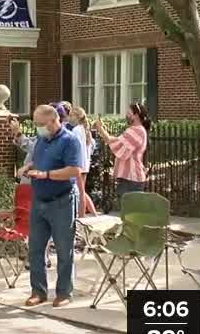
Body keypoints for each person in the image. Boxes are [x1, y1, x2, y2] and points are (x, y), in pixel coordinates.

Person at [19, 105, 81, 308]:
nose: (37, 128)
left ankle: (64, 292)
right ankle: (38, 291)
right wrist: (28, 168)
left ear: (53, 121)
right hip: (39, 201)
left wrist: (46, 175)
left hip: (62, 201)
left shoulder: (70, 140)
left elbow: (73, 170)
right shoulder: (41, 141)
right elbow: (37, 162)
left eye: (40, 124)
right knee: (35, 249)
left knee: (64, 250)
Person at [94, 101, 150, 202]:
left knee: (130, 214)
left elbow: (115, 144)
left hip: (132, 179)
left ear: (136, 115)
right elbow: (116, 141)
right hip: (128, 179)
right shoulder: (135, 130)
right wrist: (103, 130)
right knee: (128, 214)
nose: (126, 115)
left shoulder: (137, 131)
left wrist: (100, 129)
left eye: (128, 113)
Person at [68, 105, 97, 215]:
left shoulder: (76, 130)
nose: (69, 118)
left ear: (77, 117)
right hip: (85, 165)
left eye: (71, 116)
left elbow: (76, 148)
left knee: (80, 192)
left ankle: (81, 216)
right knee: (82, 191)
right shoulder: (85, 129)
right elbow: (91, 147)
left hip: (78, 165)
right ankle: (93, 214)